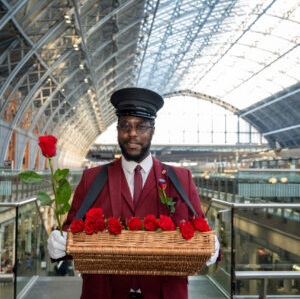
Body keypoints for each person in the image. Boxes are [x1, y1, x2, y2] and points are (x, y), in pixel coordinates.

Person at [47, 87, 220, 299]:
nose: (132, 134)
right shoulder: (92, 179)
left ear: (153, 130)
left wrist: (213, 247)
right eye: (125, 125)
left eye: (141, 126)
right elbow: (71, 231)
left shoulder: (181, 178)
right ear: (118, 130)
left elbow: (200, 229)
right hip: (104, 293)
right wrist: (59, 245)